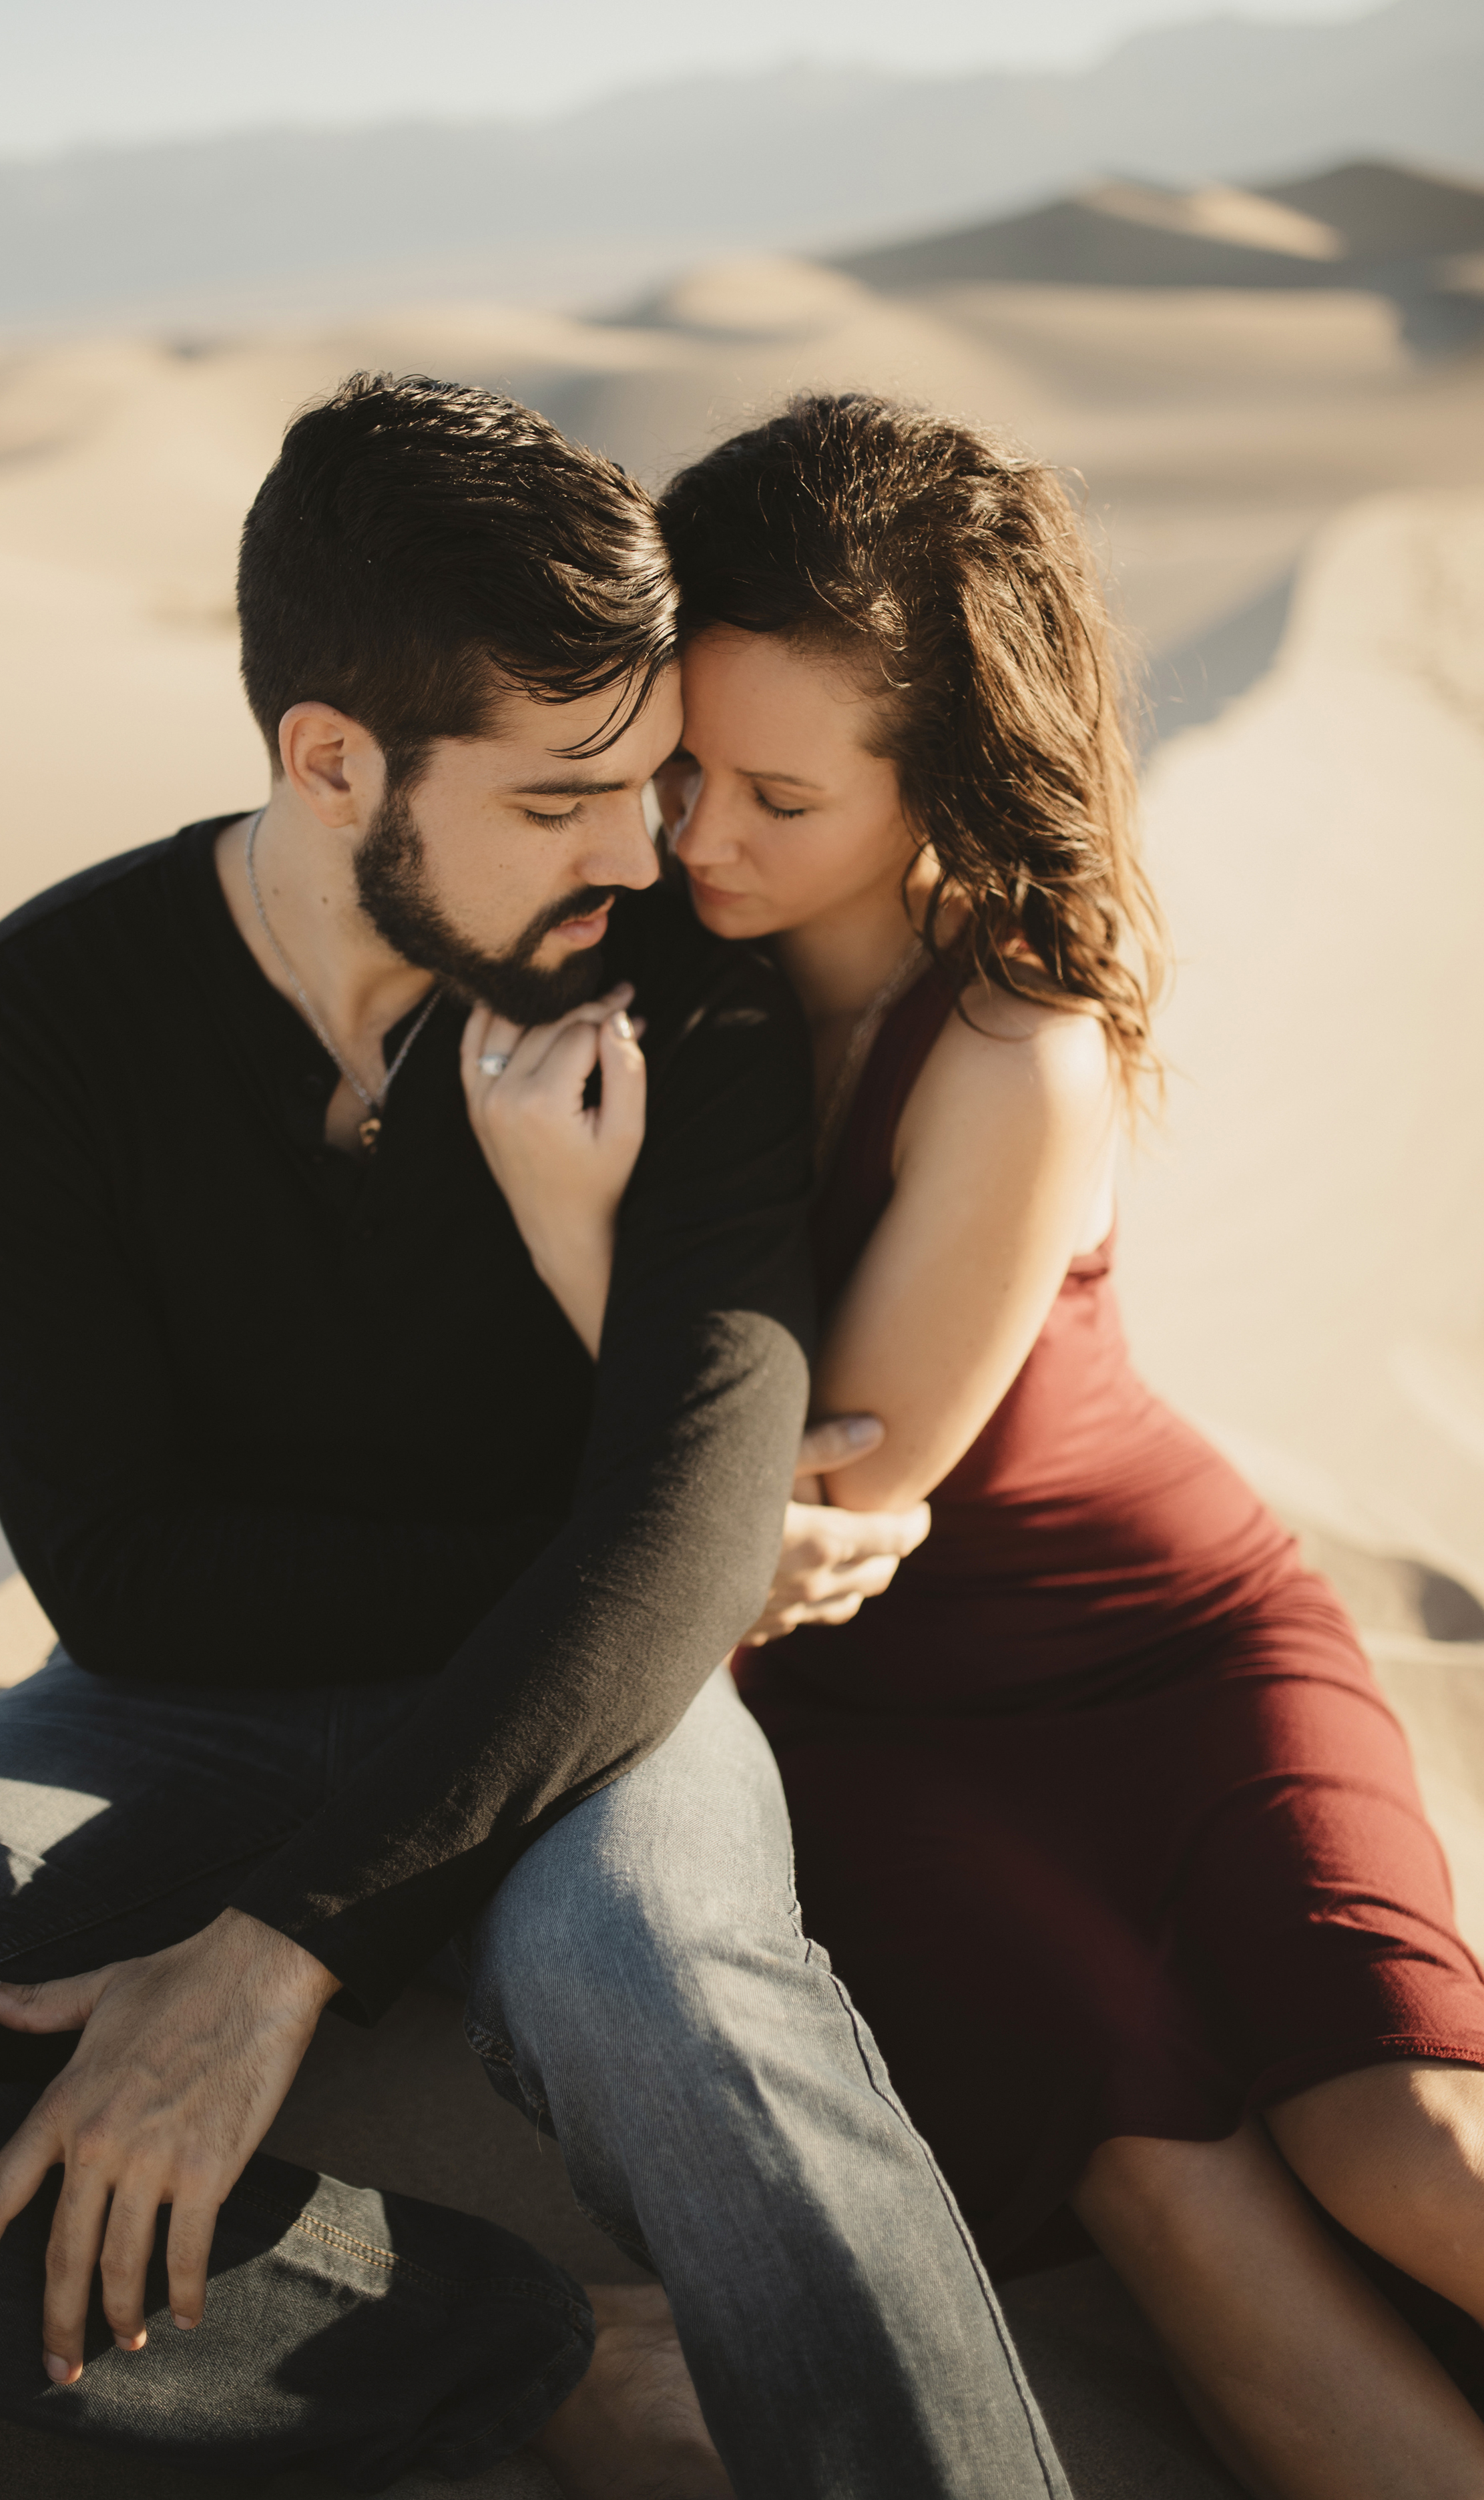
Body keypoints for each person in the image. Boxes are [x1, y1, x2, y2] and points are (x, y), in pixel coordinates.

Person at [0, 373, 1070, 2500]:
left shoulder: (681, 979)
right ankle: (523, 2350)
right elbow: (127, 1574)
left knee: (674, 1975)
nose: (647, 847)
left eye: (656, 774)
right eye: (565, 793)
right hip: (176, 1705)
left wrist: (287, 1944)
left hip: (596, 1702)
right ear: (330, 763)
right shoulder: (32, 1027)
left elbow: (703, 1502)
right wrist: (610, 1539)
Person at [473, 391, 1484, 2500]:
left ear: (936, 777)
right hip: (883, 1752)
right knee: (1166, 2187)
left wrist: (578, 1244)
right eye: (674, 771)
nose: (703, 838)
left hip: (1175, 1661)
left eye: (777, 793)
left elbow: (829, 1487)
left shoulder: (1016, 1042)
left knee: (1400, 2144)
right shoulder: (645, 963)